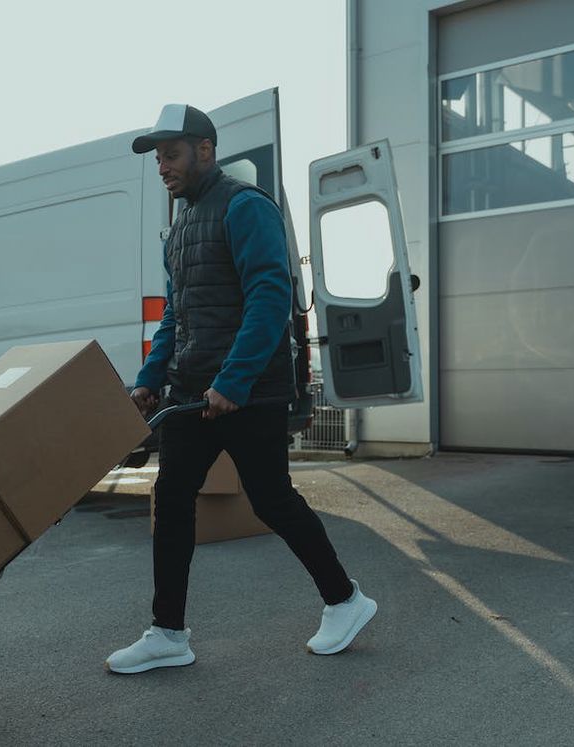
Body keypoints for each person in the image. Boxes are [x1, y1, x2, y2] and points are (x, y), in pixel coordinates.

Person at [105, 104, 377, 675]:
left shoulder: (246, 207)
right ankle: (168, 633)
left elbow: (269, 298)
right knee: (172, 500)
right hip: (191, 391)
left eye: (171, 154)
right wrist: (150, 380)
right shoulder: (179, 230)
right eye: (157, 158)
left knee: (273, 499)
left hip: (247, 391)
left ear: (205, 149)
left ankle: (345, 601)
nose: (162, 167)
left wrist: (234, 380)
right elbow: (177, 316)